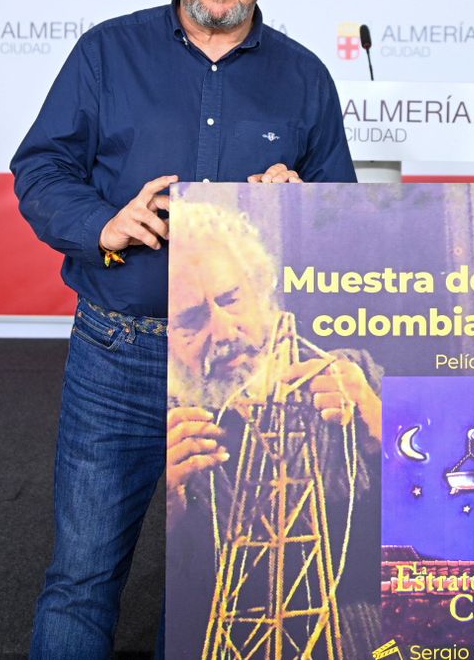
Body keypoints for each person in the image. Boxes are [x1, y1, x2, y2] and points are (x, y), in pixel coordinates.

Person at [9, 0, 356, 659]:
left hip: (243, 373)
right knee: (82, 574)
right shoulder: (106, 52)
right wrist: (104, 221)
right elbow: (40, 169)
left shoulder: (304, 77)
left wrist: (298, 205)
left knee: (217, 587)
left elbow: (342, 215)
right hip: (119, 353)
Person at [162, 198, 383, 658]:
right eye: (191, 320)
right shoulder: (160, 431)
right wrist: (164, 506)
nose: (223, 331)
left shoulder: (353, 378)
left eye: (230, 300)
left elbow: (440, 529)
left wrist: (380, 423)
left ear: (261, 291)